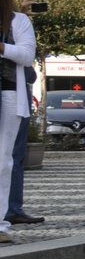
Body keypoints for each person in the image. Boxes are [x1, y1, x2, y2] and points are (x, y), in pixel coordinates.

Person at [0, 0, 36, 245]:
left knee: (3, 160)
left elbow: (26, 55)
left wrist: (2, 47)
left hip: (8, 93)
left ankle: (1, 224)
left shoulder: (17, 21)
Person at [7, 65, 42, 225]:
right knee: (14, 155)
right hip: (14, 91)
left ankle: (12, 209)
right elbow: (30, 74)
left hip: (14, 90)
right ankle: (12, 209)